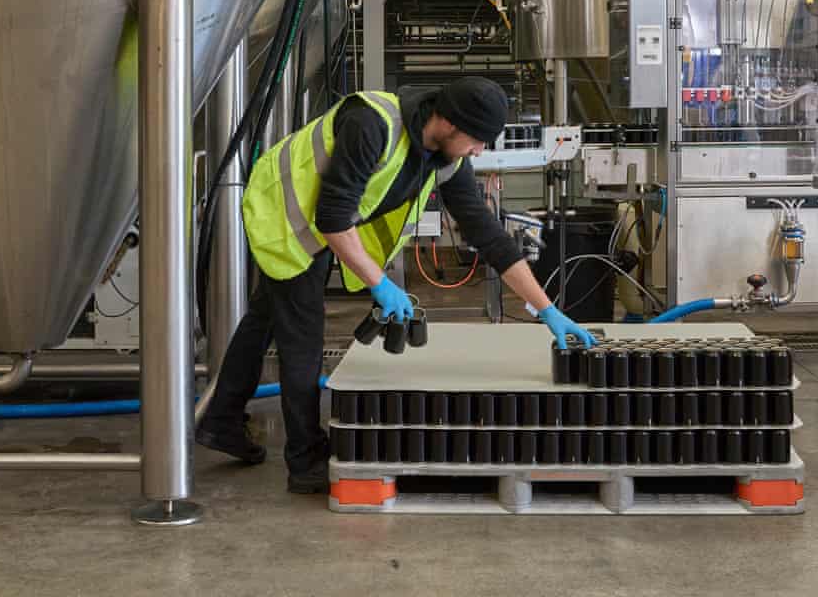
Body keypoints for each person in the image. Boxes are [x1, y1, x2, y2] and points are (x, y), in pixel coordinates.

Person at [196, 77, 595, 493]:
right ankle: (305, 460)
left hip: (327, 218)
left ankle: (222, 418)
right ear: (451, 124)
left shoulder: (447, 160)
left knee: (265, 317)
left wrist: (547, 310)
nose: (480, 151)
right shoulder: (372, 125)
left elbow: (488, 236)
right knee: (302, 337)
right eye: (478, 140)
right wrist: (382, 285)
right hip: (288, 213)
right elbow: (332, 218)